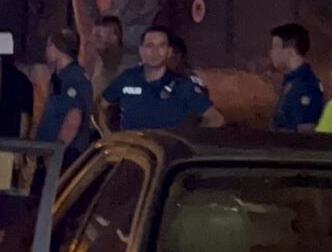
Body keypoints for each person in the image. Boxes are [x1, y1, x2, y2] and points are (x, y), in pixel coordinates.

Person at [103, 26, 223, 130]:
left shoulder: (184, 86)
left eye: (161, 46)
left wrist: (190, 139)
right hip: (134, 153)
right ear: (141, 50)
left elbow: (216, 120)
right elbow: (101, 106)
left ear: (169, 51)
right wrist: (107, 135)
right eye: (150, 46)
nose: (155, 52)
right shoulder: (127, 78)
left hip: (169, 154)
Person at [37, 26, 95, 154]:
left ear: (56, 47)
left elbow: (73, 120)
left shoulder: (74, 78)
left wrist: (56, 151)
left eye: (49, 46)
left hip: (65, 153)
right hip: (49, 150)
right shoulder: (60, 77)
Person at [267, 22, 324, 130]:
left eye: (275, 47)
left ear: (289, 52)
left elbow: (304, 133)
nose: (271, 53)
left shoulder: (306, 86)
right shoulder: (292, 83)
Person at [90, 14, 127, 87]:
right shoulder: (100, 61)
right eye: (93, 35)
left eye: (99, 36)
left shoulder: (128, 67)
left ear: (115, 36)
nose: (93, 40)